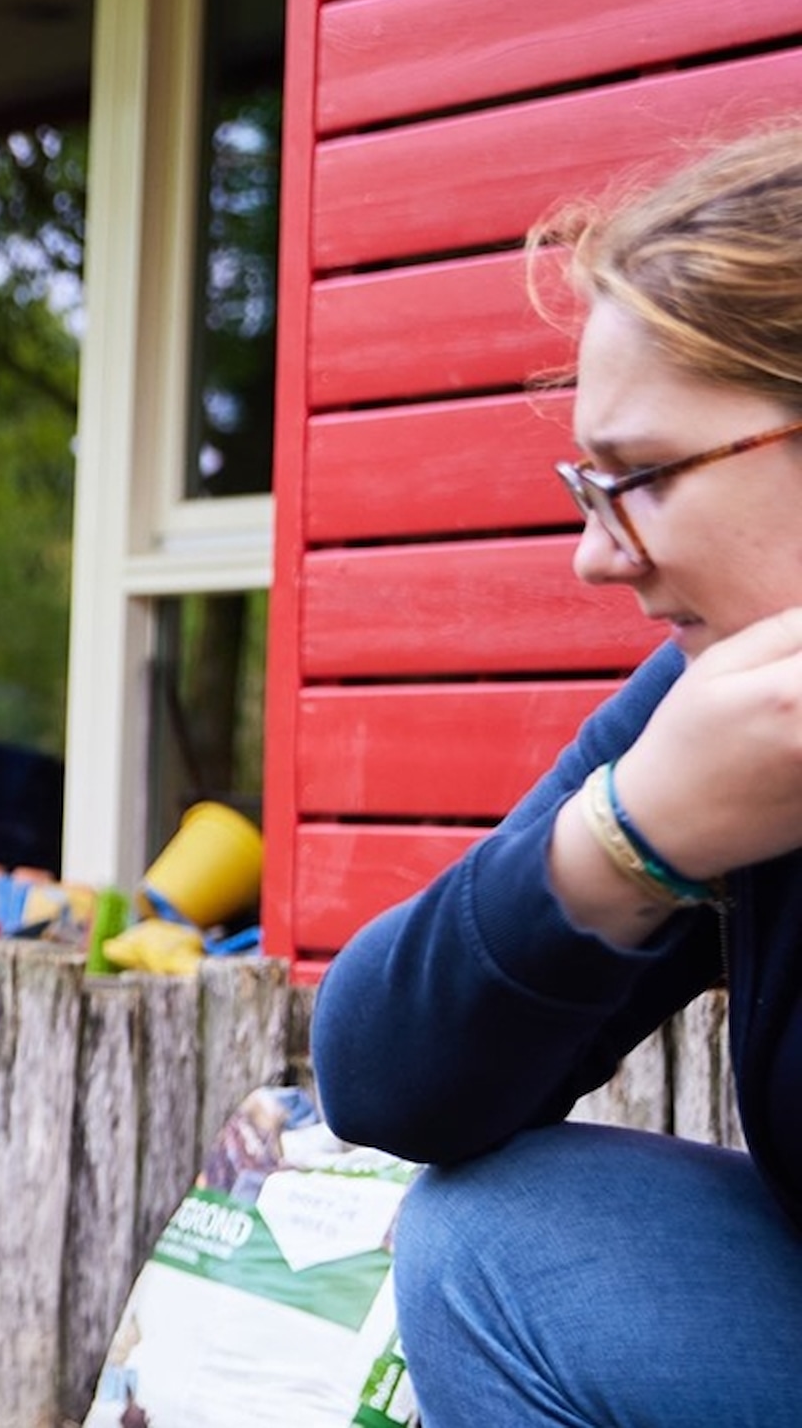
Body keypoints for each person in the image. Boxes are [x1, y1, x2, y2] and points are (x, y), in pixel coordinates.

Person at [317, 124, 802, 1425]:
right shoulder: (731, 704)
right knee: (505, 1232)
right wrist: (626, 841)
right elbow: (380, 1078)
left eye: (637, 478)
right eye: (589, 484)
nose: (596, 556)